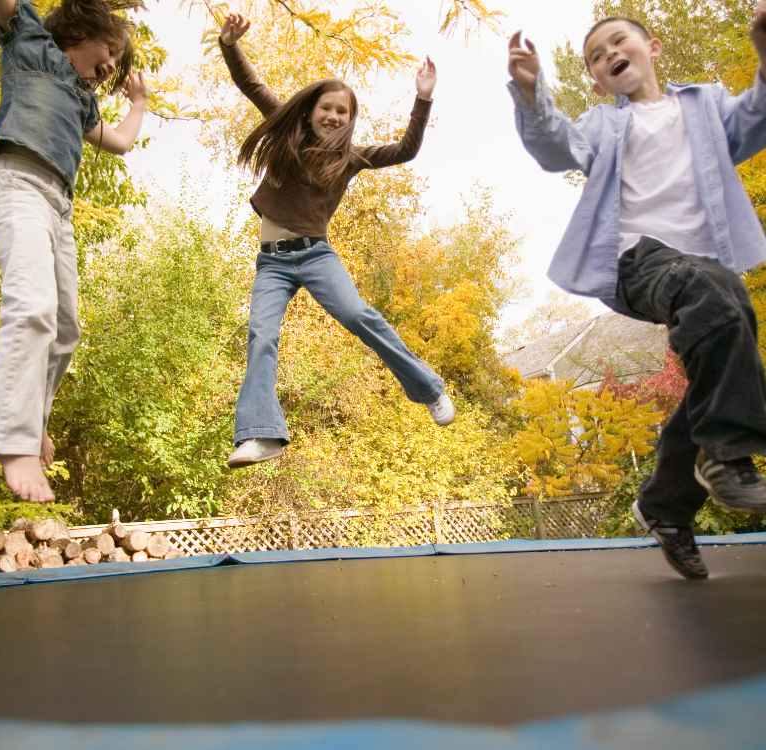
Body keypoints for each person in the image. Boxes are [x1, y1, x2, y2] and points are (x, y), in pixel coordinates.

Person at [507, 6, 766, 578]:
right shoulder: (604, 124)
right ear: (597, 80)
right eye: (596, 58)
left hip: (704, 269)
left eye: (616, 43)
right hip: (636, 260)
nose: (607, 57)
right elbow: (556, 149)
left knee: (721, 357)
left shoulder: (704, 106)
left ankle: (665, 505)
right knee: (718, 297)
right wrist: (530, 94)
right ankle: (729, 457)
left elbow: (758, 115)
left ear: (653, 47)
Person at [217, 12, 454, 470]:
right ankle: (261, 434)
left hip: (315, 256)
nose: (333, 116)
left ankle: (428, 389)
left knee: (359, 316)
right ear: (311, 110)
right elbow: (252, 85)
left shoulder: (353, 157)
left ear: (349, 120)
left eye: (342, 112)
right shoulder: (286, 128)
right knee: (260, 335)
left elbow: (406, 150)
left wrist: (422, 100)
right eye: (327, 107)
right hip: (272, 262)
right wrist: (230, 45)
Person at [0, 0, 148, 501]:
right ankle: (13, 439)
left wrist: (138, 103)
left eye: (118, 58)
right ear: (80, 30)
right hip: (17, 183)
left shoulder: (81, 97)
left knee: (65, 328)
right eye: (110, 50)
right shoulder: (32, 45)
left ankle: (33, 422)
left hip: (57, 206)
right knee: (32, 308)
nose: (113, 64)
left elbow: (118, 142)